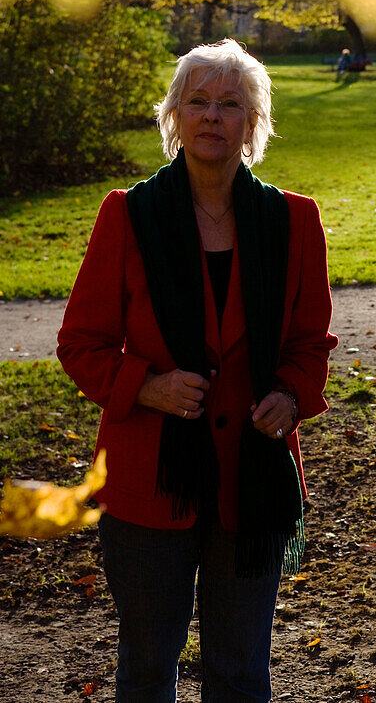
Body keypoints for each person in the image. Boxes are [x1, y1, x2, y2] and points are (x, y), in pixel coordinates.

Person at [57, 39, 337, 703]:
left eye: (230, 104)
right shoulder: (126, 214)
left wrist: (291, 396)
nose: (213, 116)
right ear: (174, 117)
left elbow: (310, 342)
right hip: (148, 479)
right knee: (148, 666)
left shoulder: (295, 220)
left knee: (240, 671)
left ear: (252, 125)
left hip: (254, 475)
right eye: (198, 102)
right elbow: (81, 344)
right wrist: (148, 387)